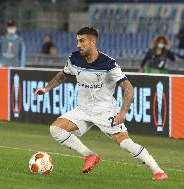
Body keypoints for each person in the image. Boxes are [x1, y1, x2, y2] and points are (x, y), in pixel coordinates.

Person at [34, 27, 168, 180]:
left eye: (82, 41)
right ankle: (89, 156)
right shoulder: (74, 58)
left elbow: (128, 88)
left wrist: (123, 112)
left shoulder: (108, 64)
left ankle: (157, 170)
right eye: (77, 41)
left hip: (105, 111)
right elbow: (62, 75)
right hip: (83, 109)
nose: (78, 45)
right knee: (56, 129)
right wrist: (46, 89)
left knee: (124, 143)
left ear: (93, 42)